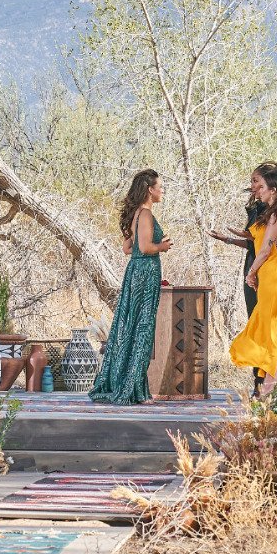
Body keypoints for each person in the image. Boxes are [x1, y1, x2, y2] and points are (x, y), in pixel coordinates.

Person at [90, 169, 172, 405]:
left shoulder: (136, 214)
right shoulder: (145, 214)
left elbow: (128, 248)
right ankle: (133, 388)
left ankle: (128, 382)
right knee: (143, 329)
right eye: (160, 186)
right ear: (150, 189)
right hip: (145, 272)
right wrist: (163, 246)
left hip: (135, 271)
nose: (162, 190)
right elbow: (145, 248)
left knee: (131, 326)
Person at [229, 164, 277, 396]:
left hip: (272, 274)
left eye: (262, 186)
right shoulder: (274, 212)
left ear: (273, 189)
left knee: (269, 331)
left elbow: (265, 250)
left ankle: (267, 387)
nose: (258, 190)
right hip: (273, 274)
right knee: (275, 332)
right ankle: (269, 387)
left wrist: (251, 272)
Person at [212, 162, 275, 391]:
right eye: (251, 182)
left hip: (262, 267)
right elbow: (252, 243)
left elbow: (265, 245)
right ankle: (257, 380)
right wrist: (226, 239)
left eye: (256, 182)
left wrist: (254, 270)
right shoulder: (256, 208)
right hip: (252, 263)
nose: (252, 187)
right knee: (253, 320)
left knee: (263, 324)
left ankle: (265, 380)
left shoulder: (273, 210)